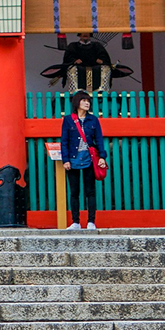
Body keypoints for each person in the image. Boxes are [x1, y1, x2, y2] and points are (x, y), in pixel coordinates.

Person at [59, 89, 107, 232]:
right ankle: (76, 222)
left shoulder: (93, 120)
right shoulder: (68, 120)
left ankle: (91, 221)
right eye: (84, 100)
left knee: (90, 191)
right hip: (73, 159)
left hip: (89, 159)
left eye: (88, 101)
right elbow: (64, 141)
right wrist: (65, 160)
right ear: (77, 102)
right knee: (74, 192)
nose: (87, 103)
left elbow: (99, 139)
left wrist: (102, 157)